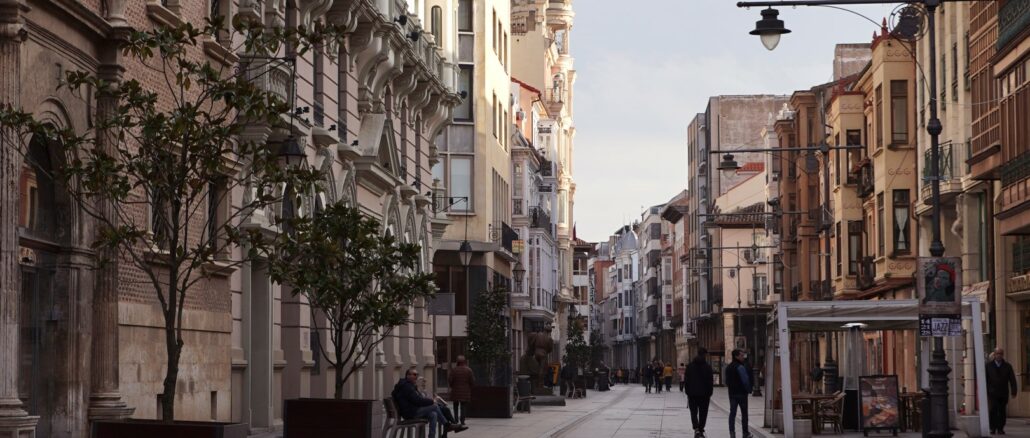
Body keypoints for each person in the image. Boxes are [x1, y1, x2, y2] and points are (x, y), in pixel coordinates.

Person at [392, 368, 467, 437]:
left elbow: (417, 400)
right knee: (434, 406)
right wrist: (432, 401)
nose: (416, 376)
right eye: (414, 374)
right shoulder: (407, 387)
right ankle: (447, 425)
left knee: (433, 414)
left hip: (411, 410)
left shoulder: (408, 385)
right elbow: (418, 401)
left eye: (417, 374)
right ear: (408, 376)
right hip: (410, 413)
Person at [986, 348, 1018, 435]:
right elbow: (985, 379)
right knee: (993, 410)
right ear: (994, 355)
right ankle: (992, 428)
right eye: (997, 354)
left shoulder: (1007, 366)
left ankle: (1000, 428)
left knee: (1002, 411)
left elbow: (1012, 379)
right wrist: (986, 391)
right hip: (992, 392)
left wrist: (1014, 391)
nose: (999, 355)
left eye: (1000, 354)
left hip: (1003, 393)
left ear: (1002, 355)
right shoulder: (989, 366)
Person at [725, 349, 754, 438]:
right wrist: (749, 390)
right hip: (741, 394)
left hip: (732, 394)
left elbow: (726, 381)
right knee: (744, 414)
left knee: (732, 414)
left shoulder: (728, 367)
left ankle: (732, 433)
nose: (743, 357)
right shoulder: (740, 367)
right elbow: (745, 381)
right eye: (741, 355)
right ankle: (745, 433)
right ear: (736, 356)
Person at [686, 348, 714, 438]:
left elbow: (687, 380)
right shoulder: (708, 367)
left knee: (693, 412)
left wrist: (688, 392)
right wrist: (710, 392)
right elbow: (710, 381)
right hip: (704, 394)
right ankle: (701, 429)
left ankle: (696, 428)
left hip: (692, 394)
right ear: (704, 355)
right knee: (703, 412)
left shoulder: (690, 366)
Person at [447, 355, 475, 425]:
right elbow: (472, 381)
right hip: (465, 391)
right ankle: (462, 420)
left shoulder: (454, 370)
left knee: (455, 406)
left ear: (457, 362)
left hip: (455, 391)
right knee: (463, 406)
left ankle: (456, 420)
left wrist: (452, 386)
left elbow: (450, 380)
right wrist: (469, 387)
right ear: (464, 362)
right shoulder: (468, 370)